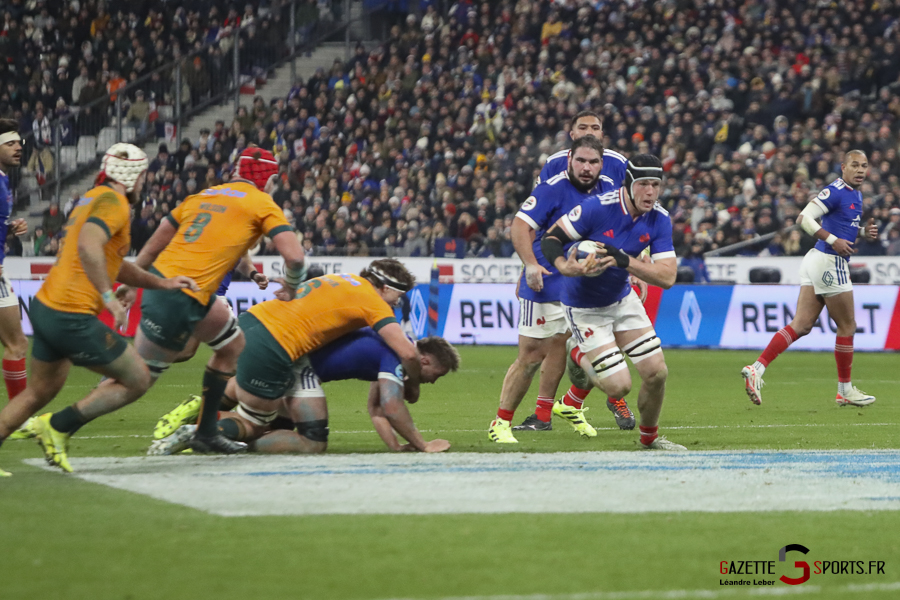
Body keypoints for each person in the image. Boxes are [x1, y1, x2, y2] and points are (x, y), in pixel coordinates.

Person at [0, 143, 198, 473]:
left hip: (47, 308)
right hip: (70, 314)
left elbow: (112, 261)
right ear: (131, 175)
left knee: (39, 392)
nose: (143, 183)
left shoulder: (92, 197)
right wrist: (108, 298)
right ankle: (58, 426)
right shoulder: (114, 202)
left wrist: (161, 282)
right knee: (137, 378)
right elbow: (89, 246)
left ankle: (50, 427)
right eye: (141, 176)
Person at [169, 260, 424, 455]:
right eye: (398, 296)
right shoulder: (373, 301)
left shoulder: (342, 278)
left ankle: (204, 412)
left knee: (297, 427)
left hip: (253, 322)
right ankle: (202, 432)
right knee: (256, 422)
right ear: (385, 287)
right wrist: (412, 382)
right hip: (274, 343)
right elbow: (408, 352)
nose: (396, 303)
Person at [538, 154, 685, 450]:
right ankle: (577, 352)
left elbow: (668, 278)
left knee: (657, 373)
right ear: (629, 183)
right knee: (620, 386)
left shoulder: (659, 219)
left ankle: (649, 439)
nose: (650, 192)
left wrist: (624, 261)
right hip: (583, 307)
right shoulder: (596, 208)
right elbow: (551, 239)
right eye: (643, 184)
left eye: (656, 185)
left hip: (622, 299)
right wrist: (565, 267)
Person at [510, 111, 643, 434]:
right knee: (555, 342)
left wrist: (637, 264)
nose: (590, 132)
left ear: (603, 135)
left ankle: (583, 398)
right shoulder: (556, 165)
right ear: (571, 136)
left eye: (595, 127)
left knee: (605, 334)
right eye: (583, 128)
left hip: (602, 264)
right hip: (559, 262)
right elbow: (533, 218)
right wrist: (527, 265)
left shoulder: (620, 166)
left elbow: (632, 216)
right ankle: (551, 410)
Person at [490, 136, 624, 443]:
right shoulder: (552, 189)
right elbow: (520, 226)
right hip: (547, 279)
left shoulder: (610, 192)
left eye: (593, 162)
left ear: (602, 165)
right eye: (581, 161)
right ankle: (501, 422)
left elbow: (625, 230)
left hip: (587, 285)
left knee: (599, 351)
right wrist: (530, 265)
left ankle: (571, 404)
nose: (586, 168)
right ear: (569, 161)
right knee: (531, 357)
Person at [151, 329, 459, 455]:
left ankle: (201, 427)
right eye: (437, 375)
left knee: (268, 425)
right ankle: (210, 437)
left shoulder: (392, 344)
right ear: (426, 359)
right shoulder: (396, 353)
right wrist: (422, 444)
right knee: (312, 441)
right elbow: (392, 406)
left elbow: (377, 410)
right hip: (298, 366)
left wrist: (396, 448)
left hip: (283, 352)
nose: (433, 381)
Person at [741, 150, 879, 407]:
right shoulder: (836, 190)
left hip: (816, 260)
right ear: (843, 167)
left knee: (802, 325)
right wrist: (832, 240)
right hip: (828, 260)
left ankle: (756, 369)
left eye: (864, 165)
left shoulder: (855, 194)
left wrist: (861, 232)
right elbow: (804, 218)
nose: (860, 170)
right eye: (855, 165)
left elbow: (843, 225)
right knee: (847, 326)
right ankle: (845, 391)